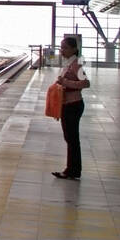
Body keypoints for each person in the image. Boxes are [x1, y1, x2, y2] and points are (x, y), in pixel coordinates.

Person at [52, 36, 90, 180]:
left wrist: (66, 82)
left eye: (65, 48)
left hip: (73, 105)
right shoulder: (69, 63)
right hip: (67, 105)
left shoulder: (76, 65)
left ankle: (72, 170)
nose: (62, 50)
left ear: (74, 49)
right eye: (61, 47)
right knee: (70, 138)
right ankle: (71, 169)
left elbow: (86, 83)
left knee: (72, 139)